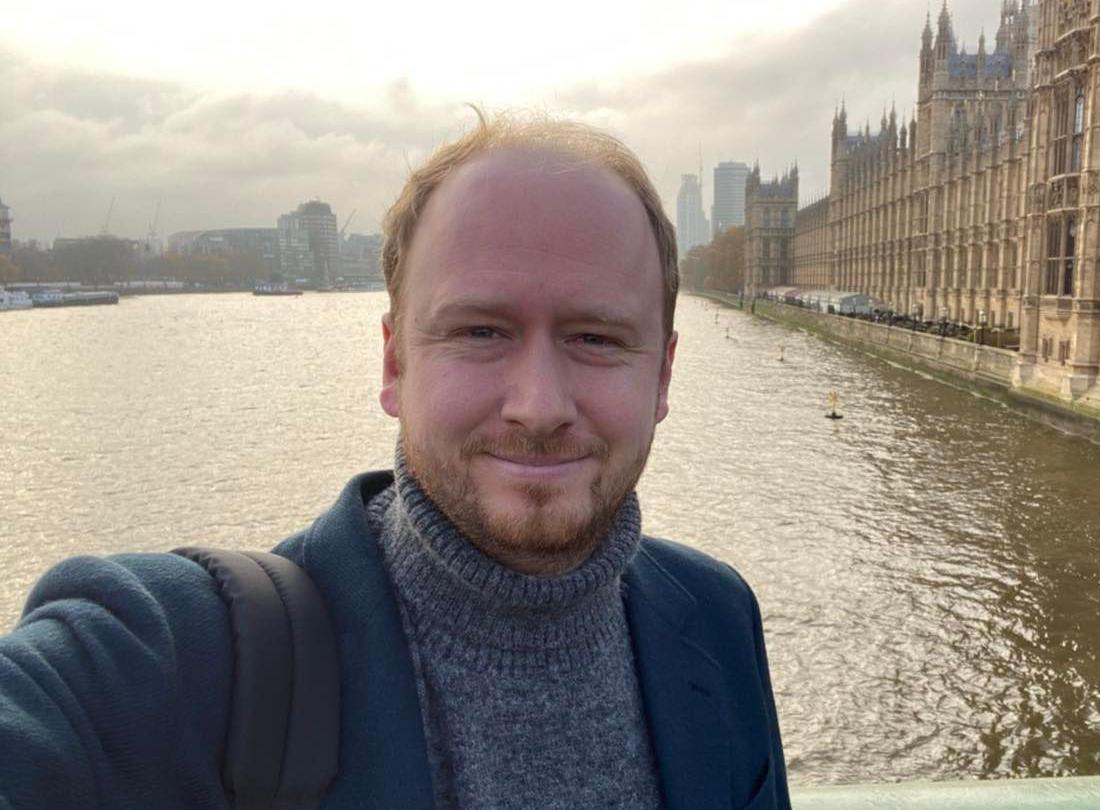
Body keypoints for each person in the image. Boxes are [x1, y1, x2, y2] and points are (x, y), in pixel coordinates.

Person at [0, 113, 790, 810]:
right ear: (393, 365)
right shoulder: (179, 655)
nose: (539, 404)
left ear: (663, 376)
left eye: (597, 338)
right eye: (480, 331)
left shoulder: (720, 618)